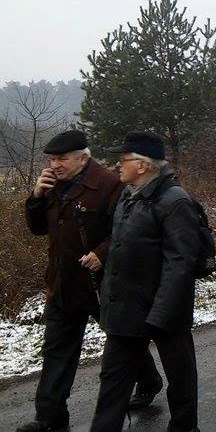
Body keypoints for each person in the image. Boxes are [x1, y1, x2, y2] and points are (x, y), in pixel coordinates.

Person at [18, 131, 161, 432]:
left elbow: (127, 228)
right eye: (52, 159)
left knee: (121, 339)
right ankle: (49, 417)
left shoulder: (110, 184)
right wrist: (35, 198)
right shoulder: (52, 185)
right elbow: (38, 229)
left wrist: (101, 253)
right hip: (63, 282)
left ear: (82, 158)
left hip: (102, 283)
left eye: (62, 159)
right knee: (57, 351)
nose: (55, 165)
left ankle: (149, 381)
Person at [91, 131, 200, 432]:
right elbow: (120, 248)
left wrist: (162, 314)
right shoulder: (128, 195)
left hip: (164, 308)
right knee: (112, 381)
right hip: (127, 306)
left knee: (180, 376)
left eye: (123, 159)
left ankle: (185, 428)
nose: (118, 165)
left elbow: (180, 263)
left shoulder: (174, 201)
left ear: (142, 165)